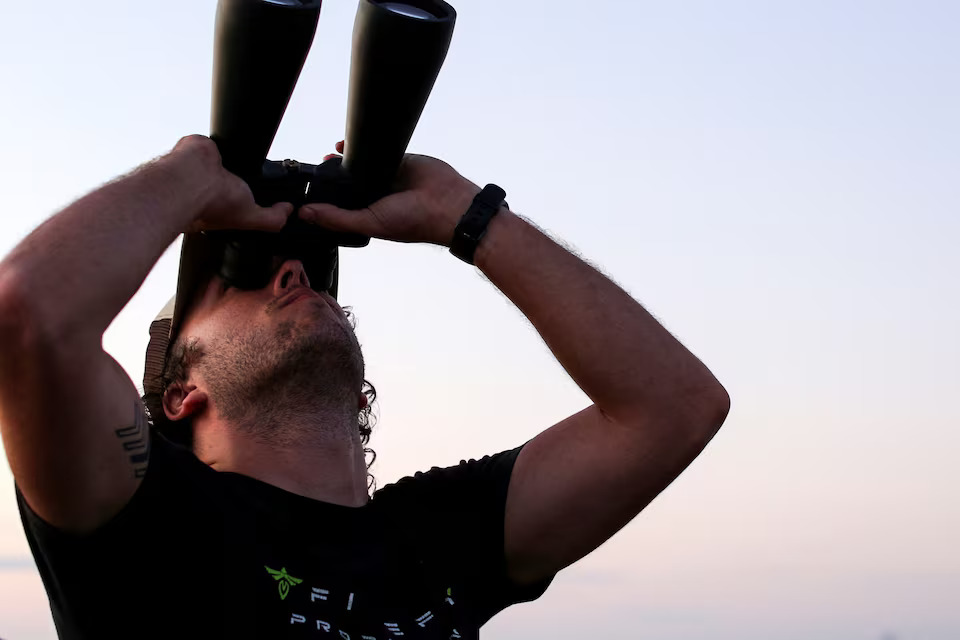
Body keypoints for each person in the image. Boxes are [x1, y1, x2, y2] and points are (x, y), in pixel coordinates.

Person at [0, 135, 730, 639]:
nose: (295, 274)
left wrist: (467, 215)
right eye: (243, 282)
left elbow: (675, 407)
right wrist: (192, 173)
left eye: (314, 276)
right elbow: (28, 312)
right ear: (179, 394)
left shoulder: (440, 535)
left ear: (361, 392)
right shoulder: (142, 517)